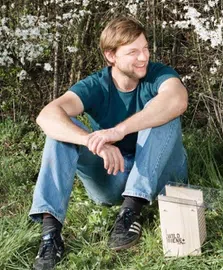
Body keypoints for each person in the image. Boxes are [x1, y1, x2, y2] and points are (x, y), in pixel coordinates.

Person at [29, 17, 188, 270]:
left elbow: (177, 100)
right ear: (110, 56)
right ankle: (51, 234)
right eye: (133, 52)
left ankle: (130, 212)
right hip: (116, 174)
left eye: (145, 48)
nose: (143, 57)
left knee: (162, 113)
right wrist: (93, 141)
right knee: (60, 131)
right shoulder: (97, 85)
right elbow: (46, 115)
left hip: (162, 176)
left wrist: (117, 131)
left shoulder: (159, 74)